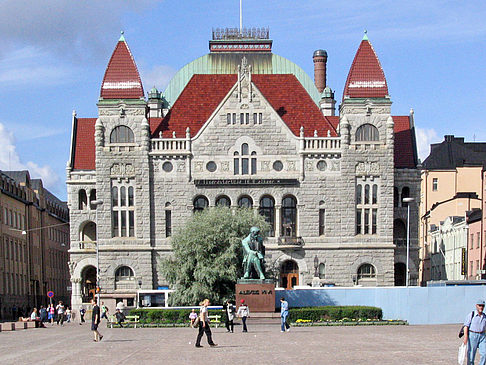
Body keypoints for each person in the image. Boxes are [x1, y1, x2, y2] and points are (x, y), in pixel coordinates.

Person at [463, 299, 486, 365]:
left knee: (484, 353)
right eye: (480, 305)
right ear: (476, 306)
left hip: (482, 336)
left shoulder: (484, 316)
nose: (481, 307)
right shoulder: (472, 314)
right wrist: (466, 336)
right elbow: (466, 326)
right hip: (473, 335)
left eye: (483, 306)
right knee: (471, 354)